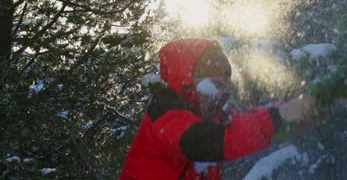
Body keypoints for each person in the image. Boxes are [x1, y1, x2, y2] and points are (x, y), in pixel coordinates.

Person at [119, 38, 315, 180]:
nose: (217, 93)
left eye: (222, 85)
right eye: (212, 83)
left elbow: (245, 121)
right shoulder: (166, 110)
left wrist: (290, 110)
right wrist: (280, 116)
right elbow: (205, 141)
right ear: (186, 78)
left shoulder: (210, 116)